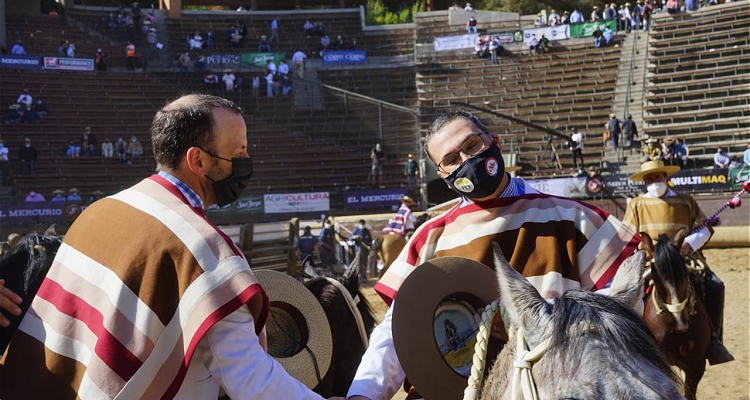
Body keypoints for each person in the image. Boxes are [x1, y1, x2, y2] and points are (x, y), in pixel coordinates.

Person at [0, 94, 336, 400]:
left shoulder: (101, 209)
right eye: (238, 153)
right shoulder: (205, 252)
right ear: (198, 161)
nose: (247, 160)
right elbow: (248, 378)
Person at [346, 111, 641, 400]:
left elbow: (620, 307)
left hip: (558, 388)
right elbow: (398, 330)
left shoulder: (575, 218)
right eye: (451, 160)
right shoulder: (430, 237)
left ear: (493, 141)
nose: (466, 161)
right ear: (443, 175)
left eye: (472, 145)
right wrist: (363, 394)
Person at [622, 160, 734, 365]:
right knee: (626, 296)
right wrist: (647, 249)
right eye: (649, 178)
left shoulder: (686, 201)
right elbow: (627, 235)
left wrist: (688, 245)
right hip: (650, 260)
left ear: (667, 177)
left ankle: (715, 342)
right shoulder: (636, 204)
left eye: (657, 177)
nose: (653, 181)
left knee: (715, 286)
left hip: (684, 258)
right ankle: (630, 346)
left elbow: (704, 228)